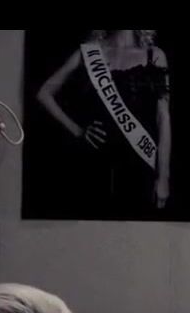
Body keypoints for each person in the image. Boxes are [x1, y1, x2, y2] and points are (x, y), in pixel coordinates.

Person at [35, 30, 172, 215]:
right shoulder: (88, 52)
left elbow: (163, 117)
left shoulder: (154, 55)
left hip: (140, 167)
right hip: (94, 167)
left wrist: (163, 177)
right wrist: (78, 131)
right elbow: (44, 93)